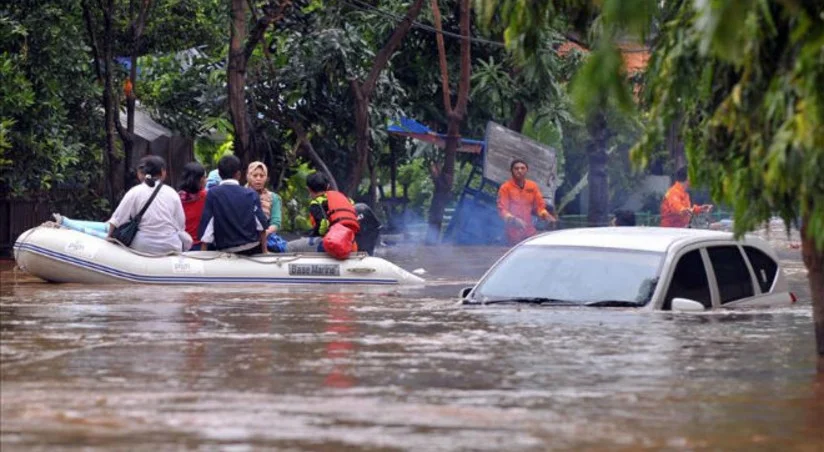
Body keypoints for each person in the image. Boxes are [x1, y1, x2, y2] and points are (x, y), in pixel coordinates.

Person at [108, 155, 192, 254]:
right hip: (170, 245)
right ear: (162, 172)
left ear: (140, 173)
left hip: (143, 245)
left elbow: (117, 219)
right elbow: (180, 225)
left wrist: (109, 238)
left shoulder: (135, 192)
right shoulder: (172, 193)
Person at [198, 155, 269, 254]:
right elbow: (261, 225)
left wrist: (203, 254)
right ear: (238, 174)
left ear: (219, 174)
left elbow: (208, 227)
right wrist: (265, 250)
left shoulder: (213, 194)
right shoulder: (251, 194)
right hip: (251, 248)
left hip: (226, 249)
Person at [287, 172, 359, 254]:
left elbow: (323, 224)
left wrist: (312, 235)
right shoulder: (345, 198)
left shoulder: (316, 203)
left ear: (309, 189)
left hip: (332, 244)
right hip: (351, 244)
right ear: (328, 186)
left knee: (289, 247)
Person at [496, 159, 557, 245]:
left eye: (522, 168)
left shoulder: (532, 186)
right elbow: (502, 209)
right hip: (512, 232)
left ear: (526, 170)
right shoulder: (505, 188)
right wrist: (514, 220)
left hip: (529, 231)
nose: (519, 171)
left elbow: (540, 207)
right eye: (516, 168)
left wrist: (546, 216)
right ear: (511, 171)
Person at [245, 161, 283, 236]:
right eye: (255, 175)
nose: (258, 179)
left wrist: (265, 233)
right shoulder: (240, 195)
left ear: (266, 178)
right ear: (248, 176)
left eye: (262, 176)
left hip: (267, 238)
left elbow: (276, 222)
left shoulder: (273, 197)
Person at [178, 162, 207, 250]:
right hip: (201, 245)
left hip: (181, 243)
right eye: (205, 177)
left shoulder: (176, 197)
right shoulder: (206, 196)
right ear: (201, 179)